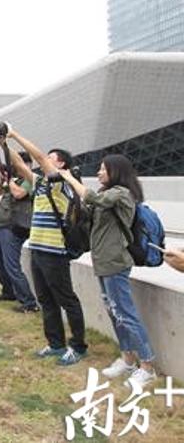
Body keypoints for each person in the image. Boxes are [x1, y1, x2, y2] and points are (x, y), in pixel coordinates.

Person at [59, 154, 157, 388]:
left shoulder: (122, 193)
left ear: (116, 172)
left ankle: (148, 366)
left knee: (125, 313)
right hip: (103, 261)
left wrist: (69, 178)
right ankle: (128, 359)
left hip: (115, 262)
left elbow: (93, 197)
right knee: (115, 313)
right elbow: (89, 210)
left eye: (103, 169)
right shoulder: (106, 195)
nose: (99, 173)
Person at [2, 128, 88, 366]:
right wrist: (2, 143)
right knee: (45, 299)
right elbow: (20, 164)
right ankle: (56, 343)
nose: (45, 159)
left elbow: (37, 157)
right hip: (37, 247)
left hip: (54, 252)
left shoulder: (61, 184)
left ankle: (78, 346)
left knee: (66, 298)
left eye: (51, 157)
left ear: (60, 164)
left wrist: (14, 134)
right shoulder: (40, 183)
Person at [0, 151, 40, 312]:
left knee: (11, 265)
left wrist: (9, 179)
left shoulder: (29, 180)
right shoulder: (15, 180)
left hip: (13, 227)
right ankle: (9, 291)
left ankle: (29, 302)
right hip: (1, 225)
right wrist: (3, 177)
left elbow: (19, 194)